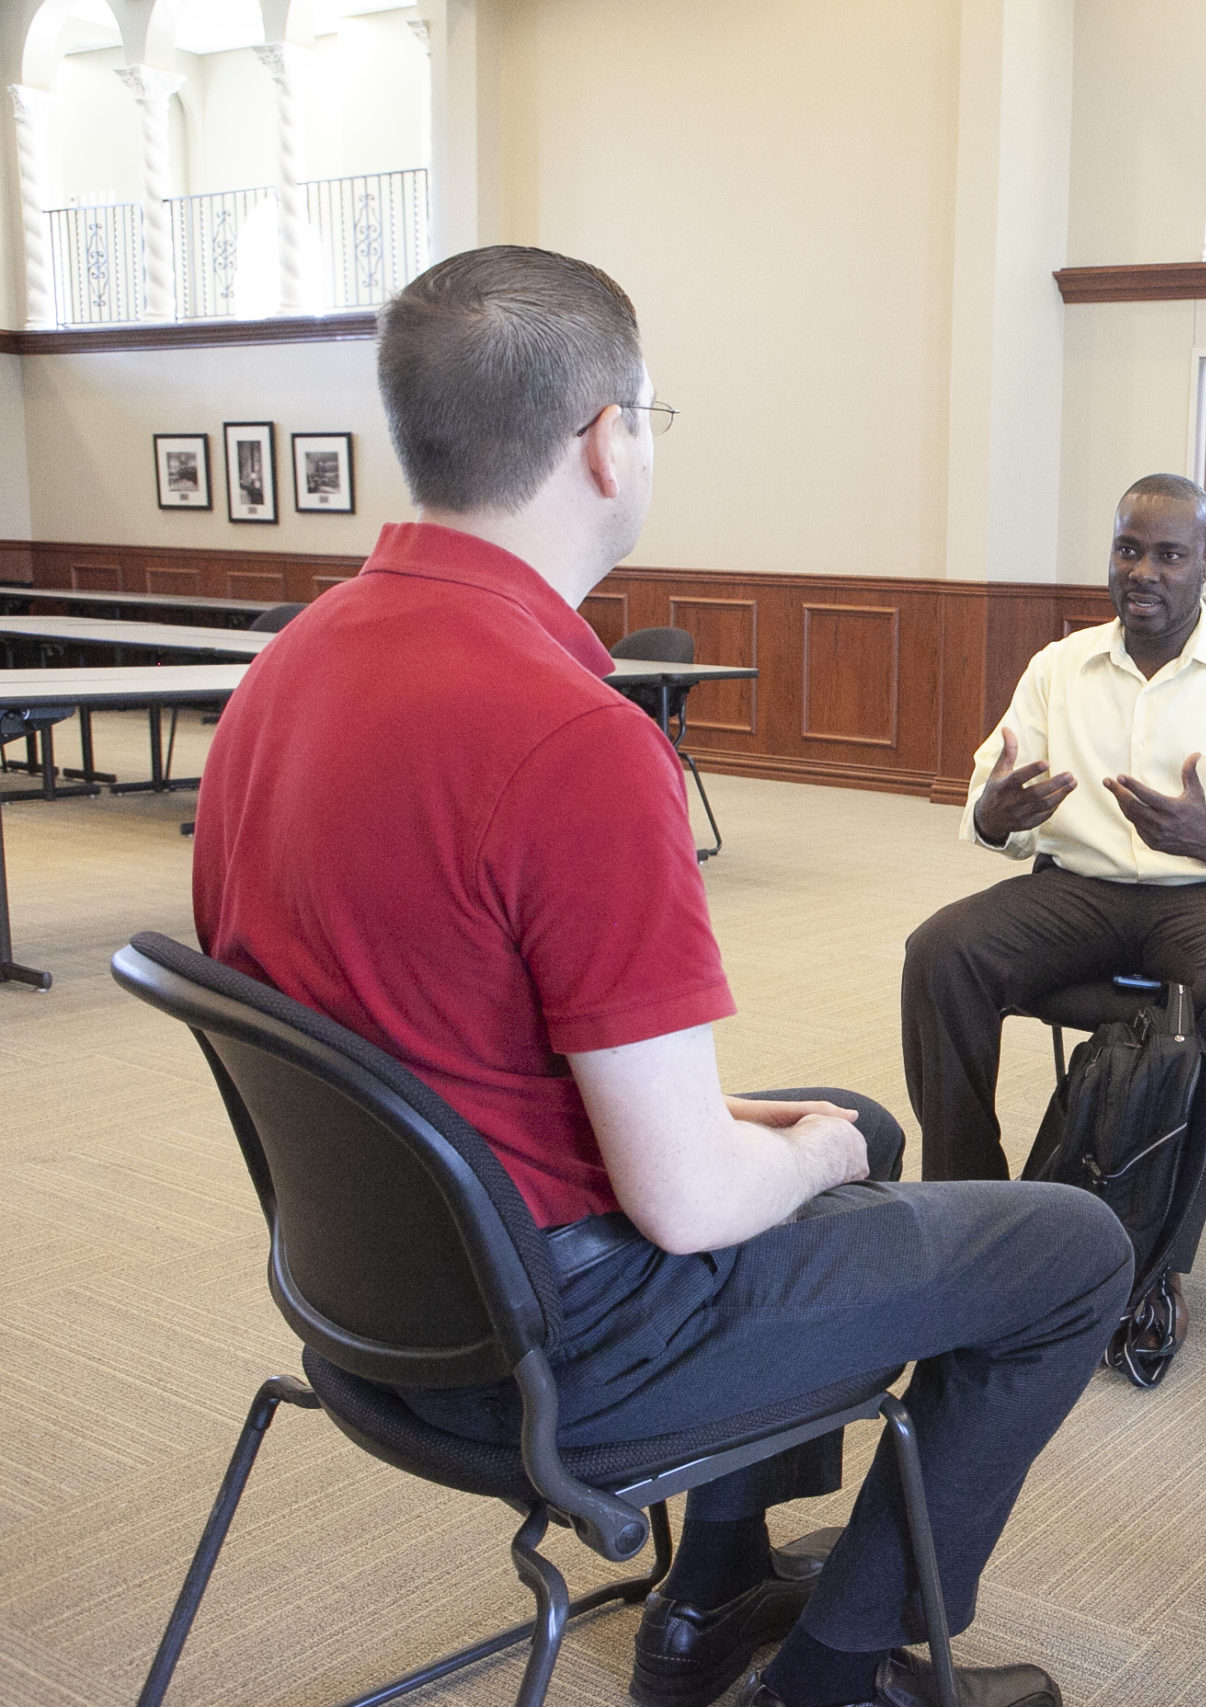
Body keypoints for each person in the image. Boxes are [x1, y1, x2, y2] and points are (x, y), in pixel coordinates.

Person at [192, 246, 1129, 1707]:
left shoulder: (284, 675)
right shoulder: (571, 736)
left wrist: (809, 1134)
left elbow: (422, 1027)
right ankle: (828, 1676)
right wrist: (808, 1151)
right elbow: (686, 1202)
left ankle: (709, 1587)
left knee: (851, 1128)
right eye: (653, 416)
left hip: (377, 1300)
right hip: (567, 1337)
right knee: (1065, 1246)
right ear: (605, 436)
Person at [902, 473, 1206, 1341]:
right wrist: (994, 815)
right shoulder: (1059, 668)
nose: (1145, 571)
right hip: (1078, 893)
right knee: (943, 950)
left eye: (1169, 554)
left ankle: (1159, 1238)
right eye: (1129, 549)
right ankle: (975, 1206)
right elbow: (994, 787)